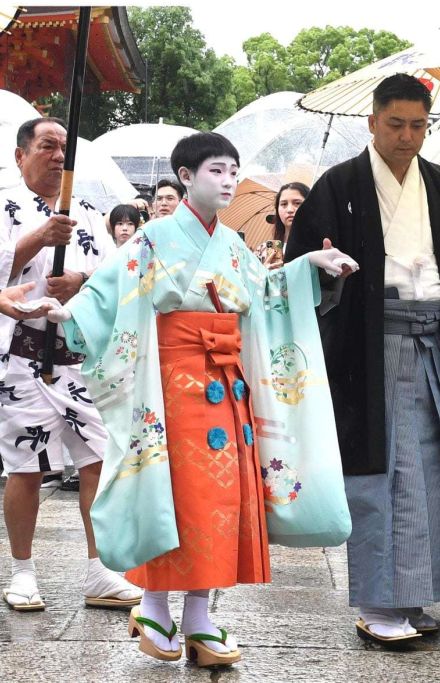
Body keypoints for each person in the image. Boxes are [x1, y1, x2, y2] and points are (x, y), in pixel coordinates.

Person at [46, 132, 356, 666]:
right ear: (186, 176)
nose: (229, 180)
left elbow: (262, 293)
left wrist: (308, 268)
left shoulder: (233, 244)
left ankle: (197, 616)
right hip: (169, 387)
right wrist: (71, 314)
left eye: (232, 170)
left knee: (219, 499)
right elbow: (109, 289)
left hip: (227, 388)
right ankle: (152, 605)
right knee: (174, 492)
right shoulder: (153, 237)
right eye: (217, 170)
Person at [285, 73, 440, 645]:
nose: (406, 136)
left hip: (434, 339)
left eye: (418, 125)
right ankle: (378, 604)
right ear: (371, 122)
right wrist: (325, 274)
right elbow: (298, 268)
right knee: (384, 474)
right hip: (371, 347)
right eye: (395, 124)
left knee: (429, 474)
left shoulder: (437, 184)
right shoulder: (338, 185)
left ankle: (417, 598)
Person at [0, 117, 142, 611]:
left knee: (96, 460)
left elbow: (113, 275)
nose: (59, 156)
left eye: (64, 148)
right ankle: (21, 571)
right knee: (27, 466)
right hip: (22, 353)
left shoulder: (85, 211)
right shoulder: (4, 206)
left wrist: (80, 279)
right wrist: (40, 238)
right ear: (22, 155)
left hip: (77, 359)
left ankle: (98, 569)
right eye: (47, 146)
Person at [256, 182, 310, 269]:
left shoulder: (319, 248)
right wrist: (264, 273)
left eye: (297, 203)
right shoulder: (265, 249)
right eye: (284, 204)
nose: (290, 210)